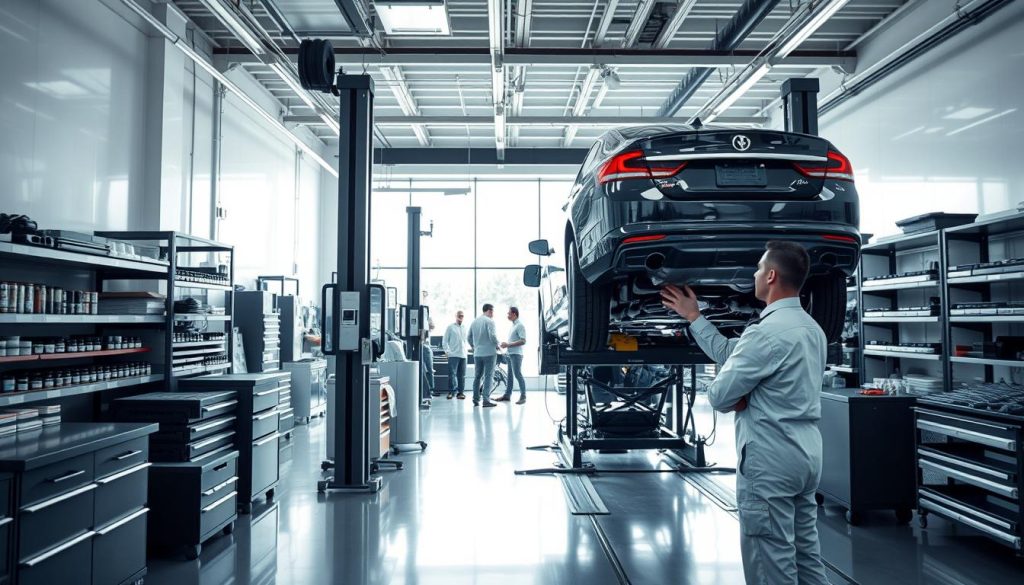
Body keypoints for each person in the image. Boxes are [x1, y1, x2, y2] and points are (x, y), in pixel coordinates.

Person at [660, 240, 831, 585]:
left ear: (770, 276)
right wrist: (694, 317)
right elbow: (729, 352)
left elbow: (721, 395)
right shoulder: (813, 330)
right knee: (807, 558)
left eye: (757, 268)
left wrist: (735, 390)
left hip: (770, 460)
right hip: (807, 455)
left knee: (771, 565)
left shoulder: (764, 334)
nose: (752, 274)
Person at [467, 303, 500, 408]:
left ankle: (475, 399)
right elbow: (492, 336)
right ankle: (486, 400)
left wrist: (474, 346)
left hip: (477, 354)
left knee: (477, 377)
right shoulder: (490, 321)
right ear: (489, 311)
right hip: (489, 353)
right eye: (492, 311)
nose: (493, 314)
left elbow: (468, 337)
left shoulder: (474, 322)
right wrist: (497, 344)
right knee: (488, 376)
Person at [497, 306, 527, 404]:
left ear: (514, 314)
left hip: (516, 355)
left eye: (509, 313)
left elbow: (523, 341)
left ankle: (523, 396)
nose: (507, 315)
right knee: (510, 376)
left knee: (517, 374)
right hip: (510, 354)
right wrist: (506, 347)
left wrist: (508, 344)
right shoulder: (513, 326)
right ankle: (507, 395)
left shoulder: (520, 325)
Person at [443, 311, 468, 400]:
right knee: (452, 374)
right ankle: (451, 392)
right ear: (456, 316)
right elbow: (445, 340)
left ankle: (460, 393)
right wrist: (447, 351)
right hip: (453, 354)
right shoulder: (450, 327)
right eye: (459, 316)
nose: (461, 317)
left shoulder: (465, 327)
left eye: (462, 316)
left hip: (463, 355)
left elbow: (465, 341)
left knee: (462, 375)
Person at [419, 317, 436, 402]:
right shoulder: (423, 324)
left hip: (426, 348)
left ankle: (431, 390)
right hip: (424, 348)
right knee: (428, 371)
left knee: (429, 370)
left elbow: (432, 326)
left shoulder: (426, 321)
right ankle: (429, 390)